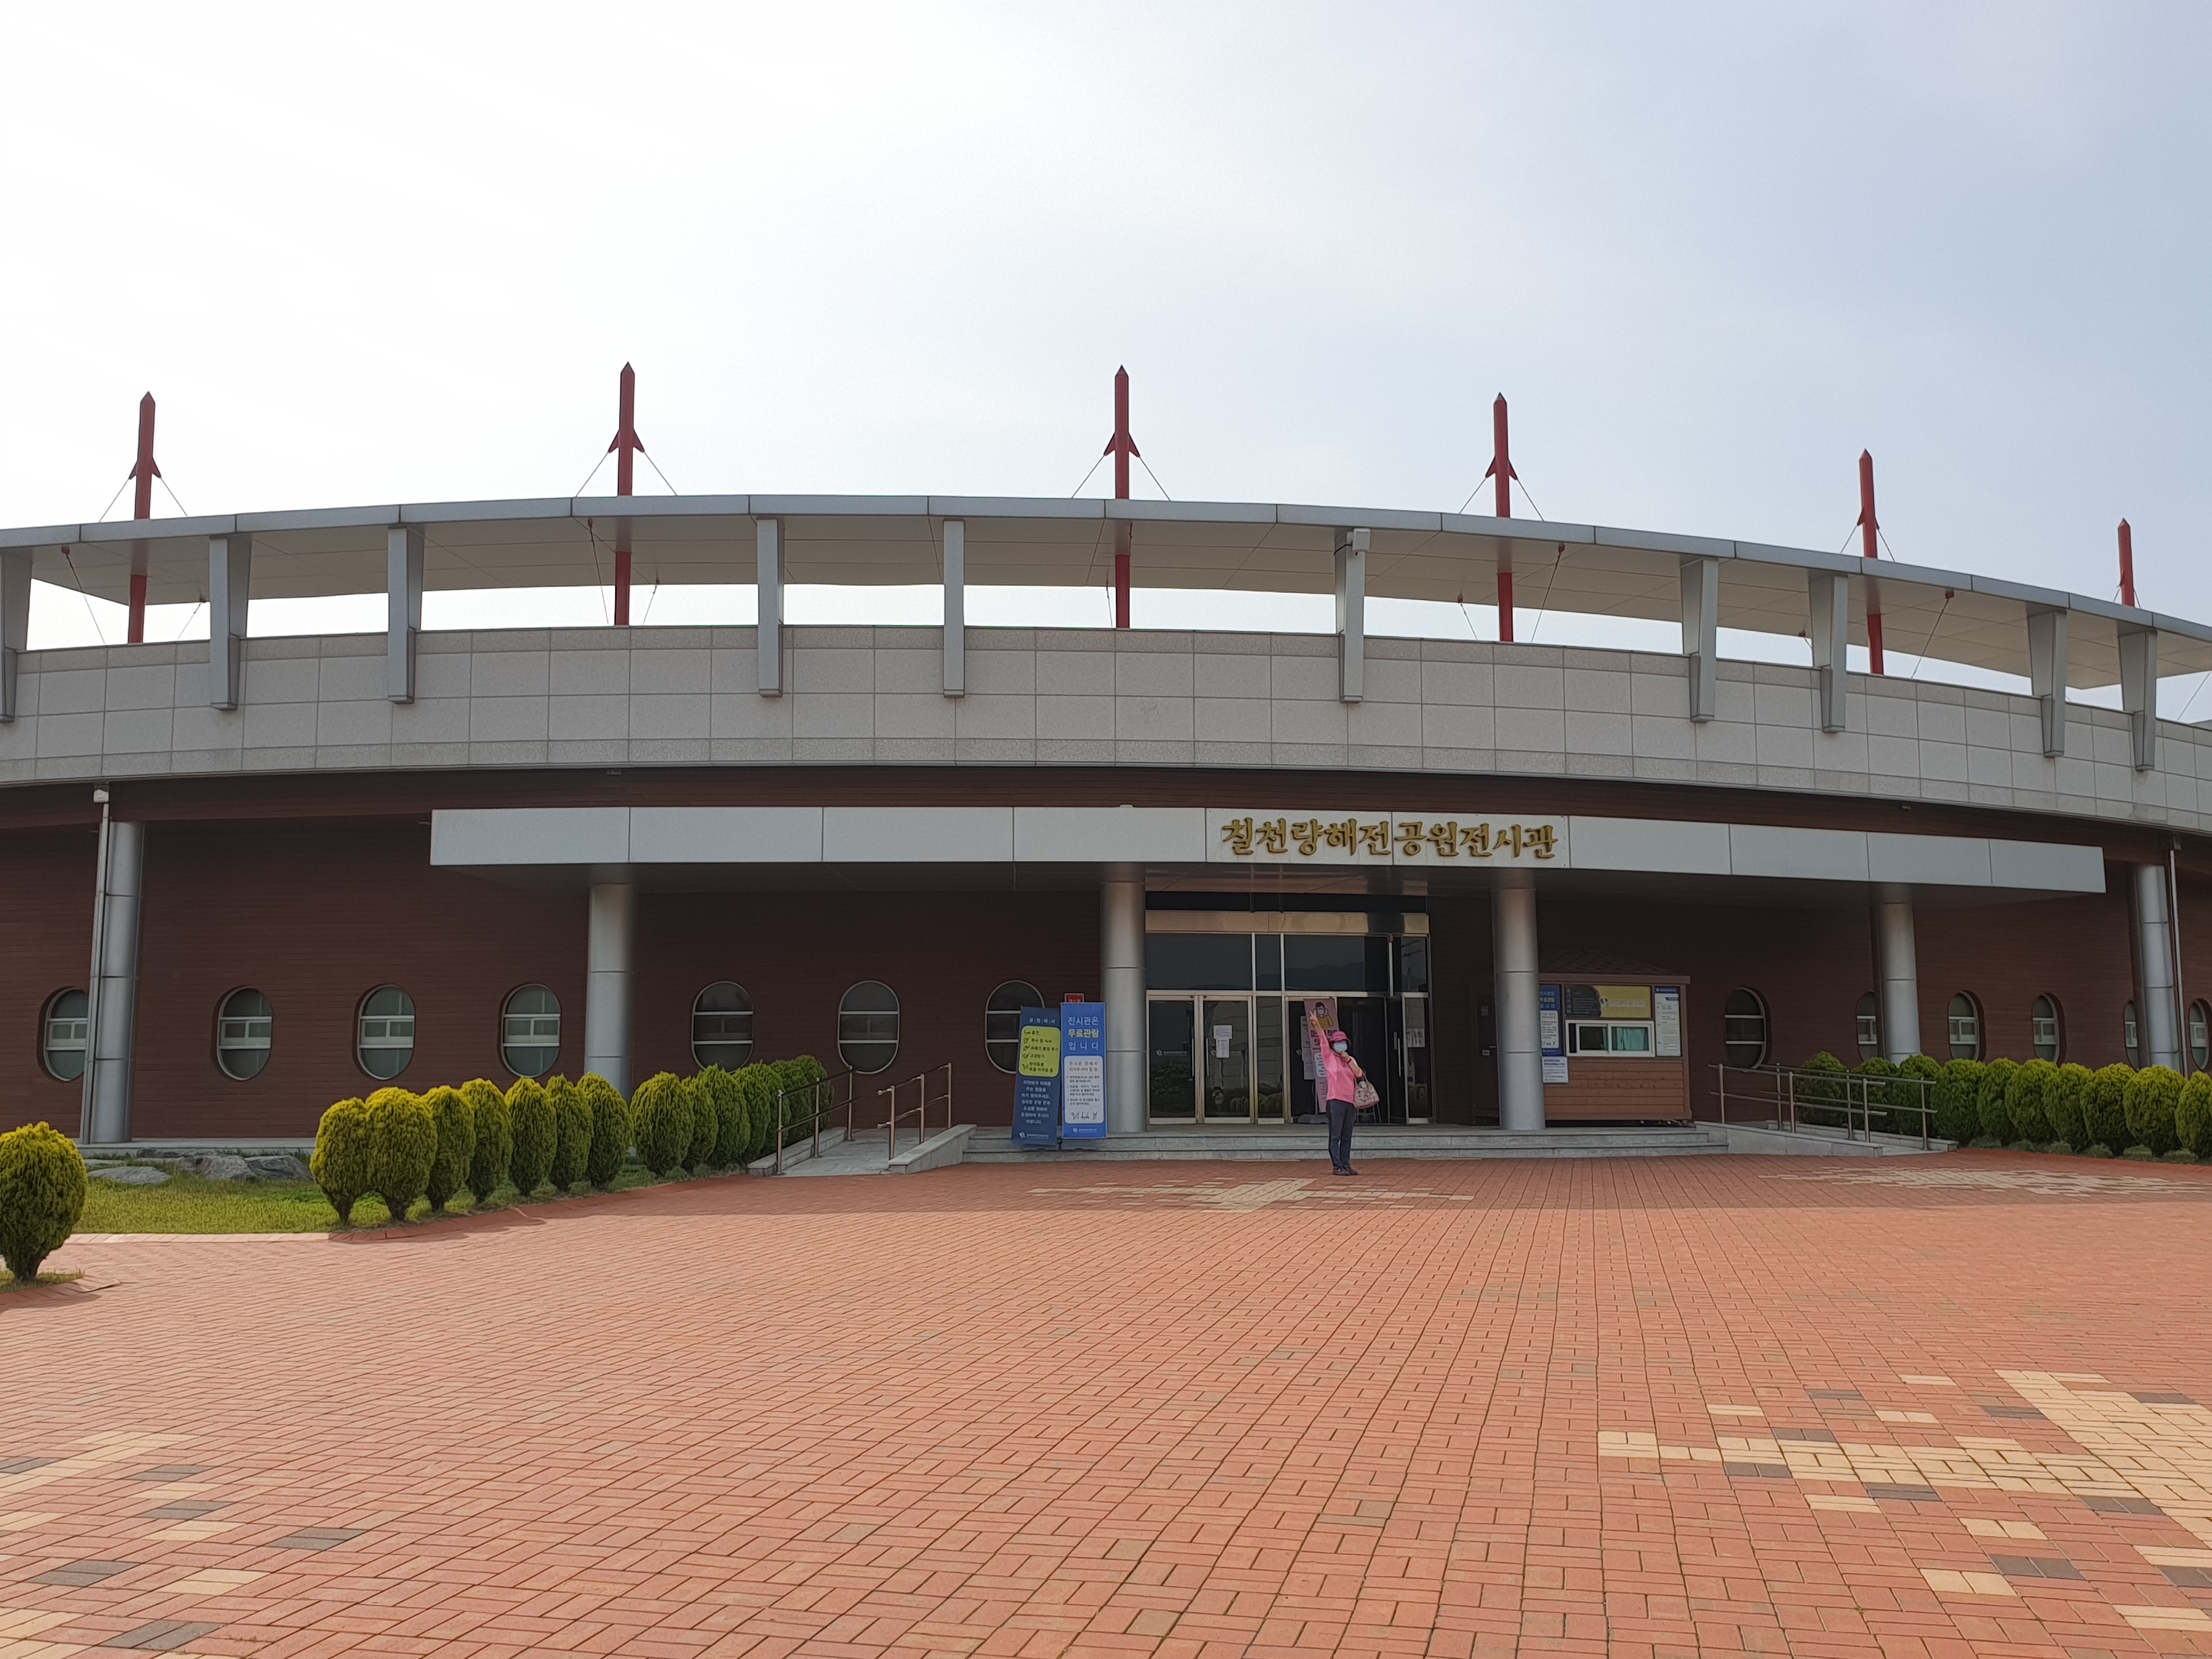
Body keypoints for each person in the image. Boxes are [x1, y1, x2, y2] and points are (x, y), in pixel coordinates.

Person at [1319, 1026, 1366, 1177]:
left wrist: (1348, 1059)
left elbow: (1359, 1073)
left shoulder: (1350, 1059)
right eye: (1338, 1042)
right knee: (1336, 1135)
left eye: (1343, 1042)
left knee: (1347, 1136)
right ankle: (1337, 1165)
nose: (1341, 1045)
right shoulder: (1329, 1057)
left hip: (1350, 1102)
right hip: (1335, 1101)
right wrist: (1317, 1025)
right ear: (1333, 1044)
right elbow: (1323, 1041)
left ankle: (1346, 1164)